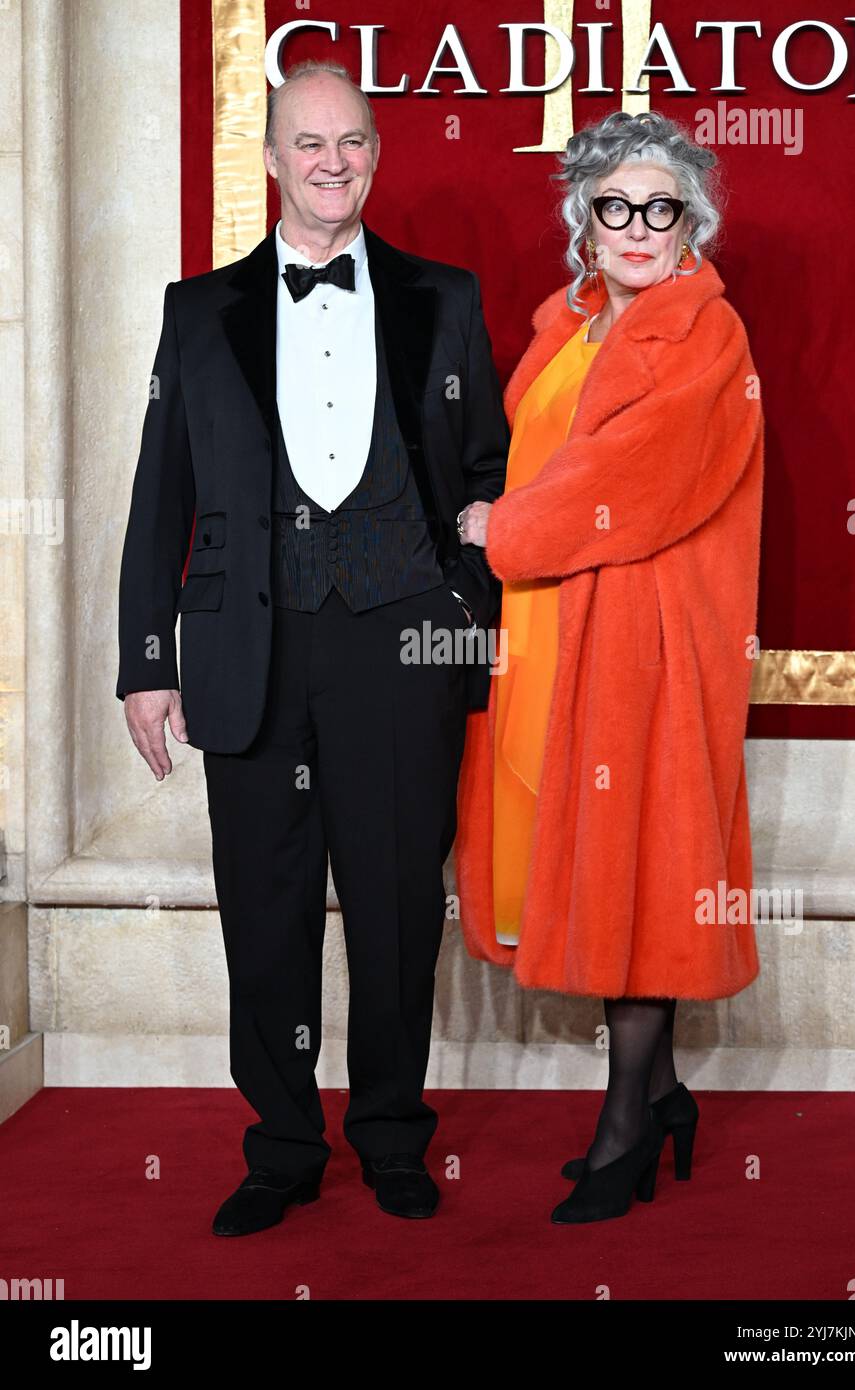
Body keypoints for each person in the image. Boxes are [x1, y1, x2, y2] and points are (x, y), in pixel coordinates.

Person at [117, 60, 508, 1235]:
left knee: (396, 908)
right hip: (249, 650)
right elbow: (158, 496)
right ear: (275, 158)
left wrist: (465, 614)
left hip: (402, 648)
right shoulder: (199, 312)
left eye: (353, 142)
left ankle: (392, 1133)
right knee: (266, 911)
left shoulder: (447, 297)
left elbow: (489, 475)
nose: (332, 161)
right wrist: (147, 659)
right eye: (309, 142)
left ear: (375, 157)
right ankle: (283, 1146)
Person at [454, 110, 764, 1224]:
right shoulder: (569, 327)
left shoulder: (703, 335)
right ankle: (668, 1096)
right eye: (614, 206)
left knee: (640, 867)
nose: (637, 227)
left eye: (661, 207)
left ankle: (627, 1123)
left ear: (694, 223)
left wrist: (503, 530)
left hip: (649, 643)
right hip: (560, 630)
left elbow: (630, 481)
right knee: (598, 853)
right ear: (584, 221)